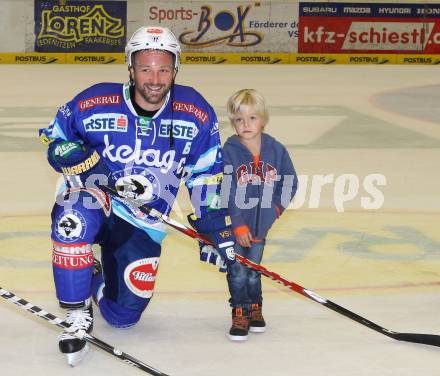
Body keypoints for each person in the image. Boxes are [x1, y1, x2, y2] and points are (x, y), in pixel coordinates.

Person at [38, 26, 235, 366]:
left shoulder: (196, 111)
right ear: (130, 68)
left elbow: (205, 175)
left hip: (143, 222)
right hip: (94, 198)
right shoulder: (94, 101)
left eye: (163, 68)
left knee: (123, 317)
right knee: (73, 218)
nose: (155, 78)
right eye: (145, 68)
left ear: (176, 69)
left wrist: (214, 228)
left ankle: (93, 276)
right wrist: (67, 153)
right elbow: (54, 139)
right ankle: (75, 314)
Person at [221, 89, 297, 341]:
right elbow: (228, 191)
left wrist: (274, 210)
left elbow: (290, 183)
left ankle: (255, 308)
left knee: (253, 271)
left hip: (261, 227)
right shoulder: (229, 151)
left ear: (263, 119)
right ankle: (239, 311)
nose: (246, 125)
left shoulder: (276, 150)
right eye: (239, 119)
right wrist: (238, 225)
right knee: (237, 271)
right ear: (233, 121)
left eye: (252, 118)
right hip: (236, 227)